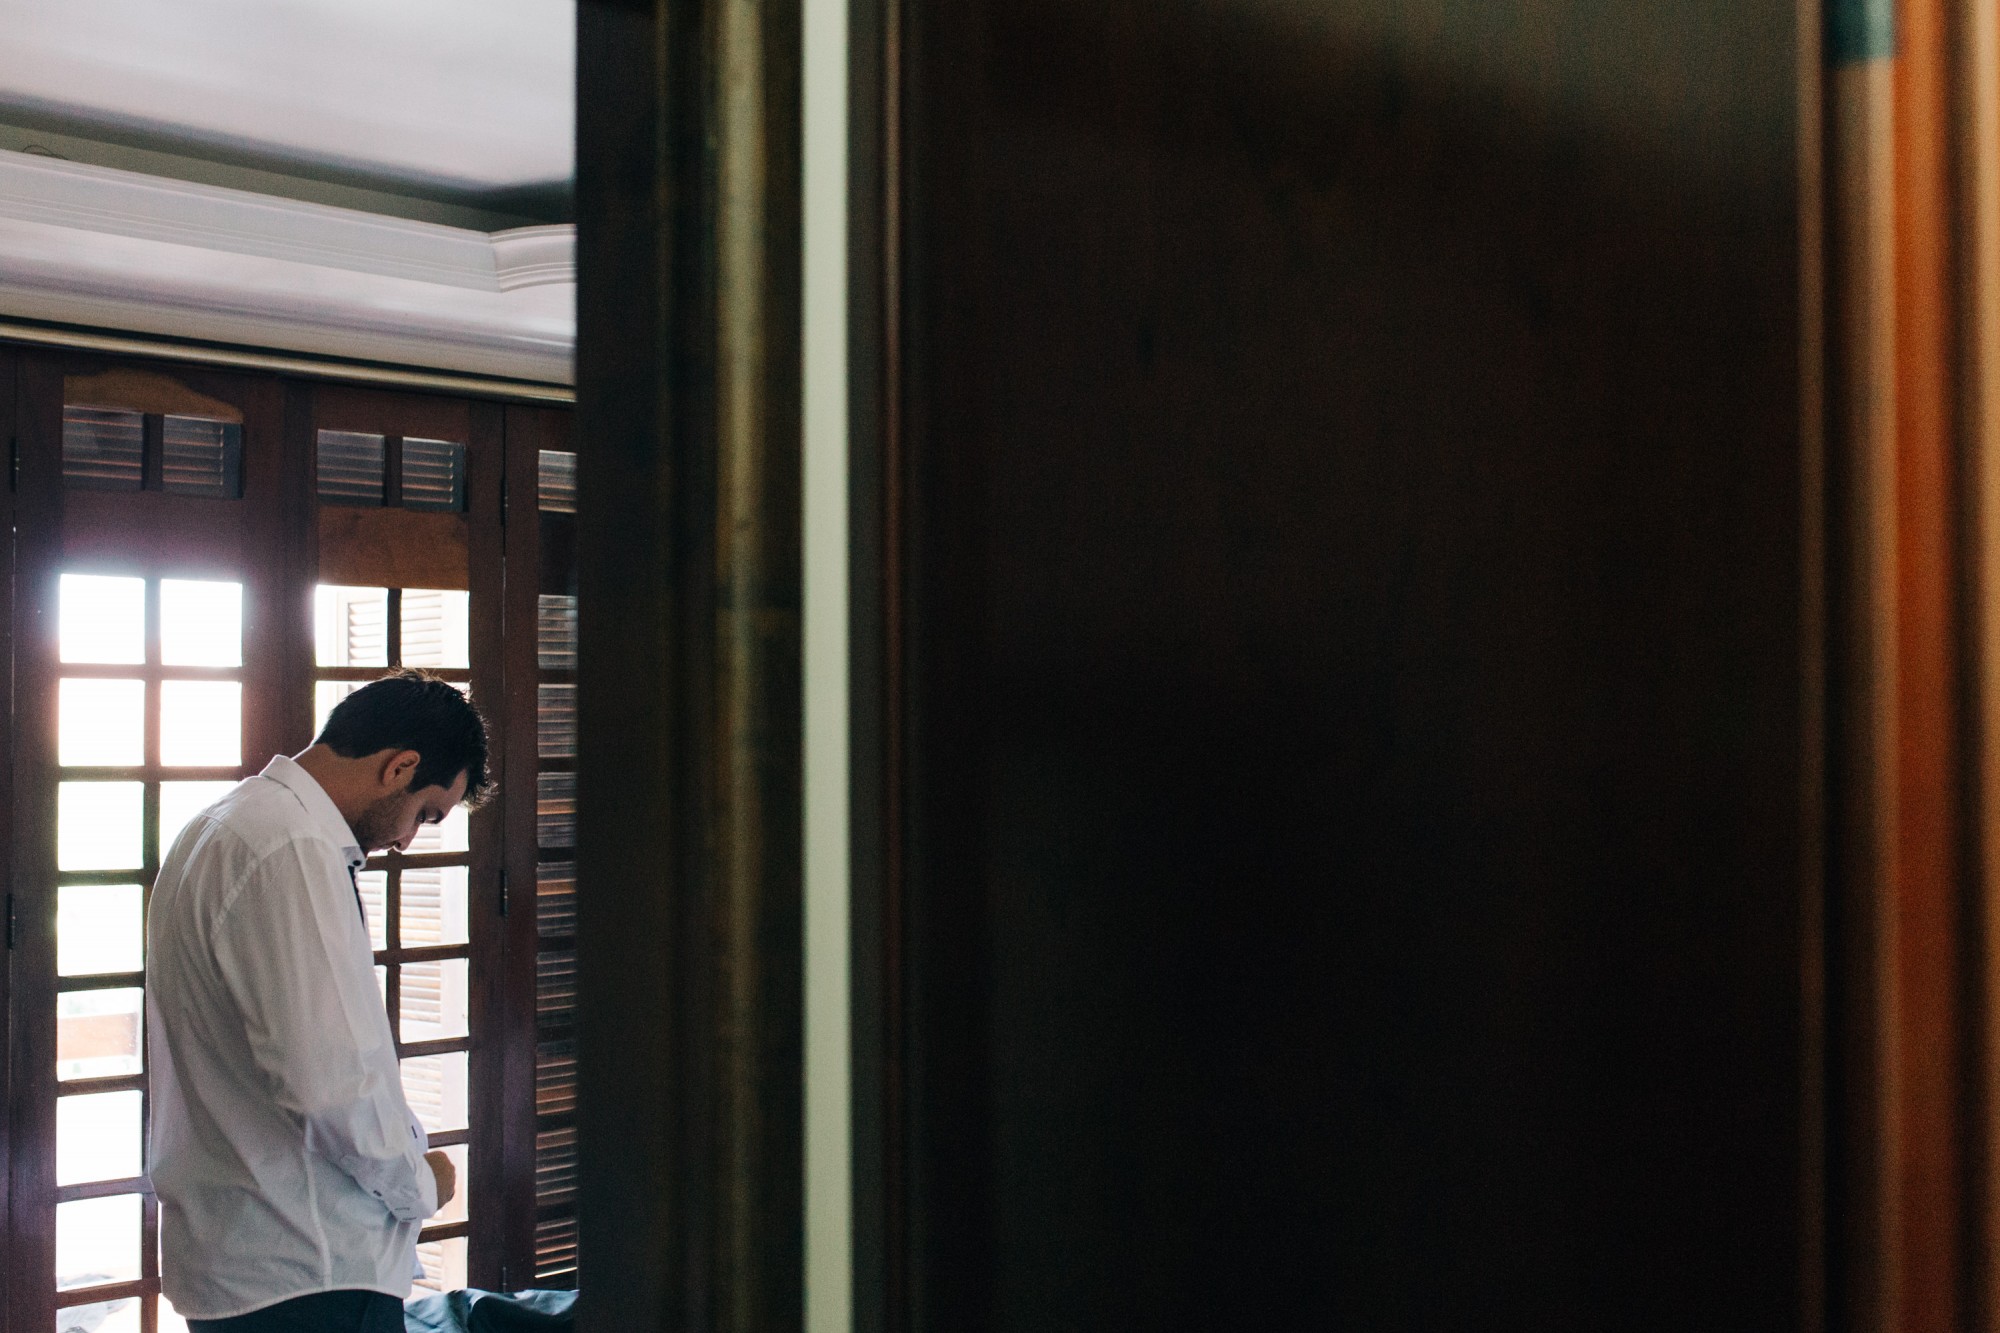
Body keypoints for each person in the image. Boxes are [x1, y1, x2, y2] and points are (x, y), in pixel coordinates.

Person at [147, 671, 494, 1333]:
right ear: (399, 766)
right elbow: (328, 1082)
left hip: (243, 1255)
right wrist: (419, 1183)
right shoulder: (291, 845)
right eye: (425, 812)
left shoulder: (215, 827)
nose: (407, 840)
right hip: (309, 1271)